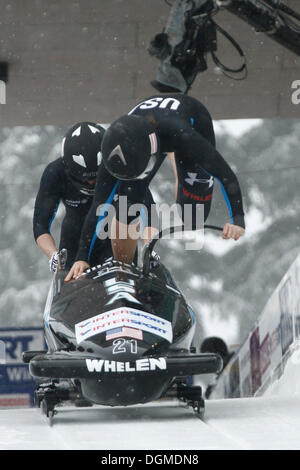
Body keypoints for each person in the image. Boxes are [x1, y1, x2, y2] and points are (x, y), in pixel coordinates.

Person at [66, 94, 245, 281]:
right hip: (141, 136)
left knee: (193, 216)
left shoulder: (185, 136)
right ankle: (124, 273)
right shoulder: (114, 148)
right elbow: (99, 205)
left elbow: (226, 176)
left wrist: (237, 219)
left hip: (188, 122)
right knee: (127, 202)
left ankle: (178, 163)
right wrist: (82, 257)